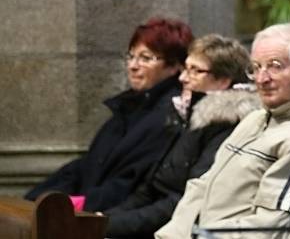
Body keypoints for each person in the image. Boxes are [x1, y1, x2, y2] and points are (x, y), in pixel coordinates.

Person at [155, 24, 290, 239]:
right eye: (256, 67)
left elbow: (277, 230)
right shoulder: (255, 118)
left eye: (275, 66)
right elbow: (202, 186)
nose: (262, 78)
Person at [25, 18, 193, 212]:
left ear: (175, 67)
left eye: (146, 58)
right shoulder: (129, 109)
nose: (133, 65)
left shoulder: (169, 116)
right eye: (131, 56)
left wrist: (81, 206)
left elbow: (132, 184)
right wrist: (36, 199)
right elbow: (87, 167)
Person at [104, 34, 259, 238]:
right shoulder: (186, 113)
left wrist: (109, 225)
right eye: (187, 68)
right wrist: (101, 219)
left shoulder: (227, 125)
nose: (183, 78)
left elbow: (185, 200)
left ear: (222, 81)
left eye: (196, 71)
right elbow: (149, 189)